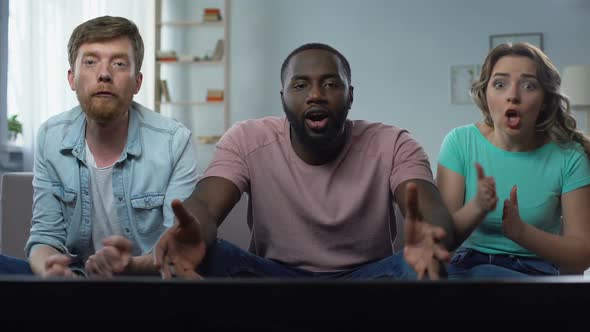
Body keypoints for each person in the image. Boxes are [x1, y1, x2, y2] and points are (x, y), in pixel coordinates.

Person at [153, 42, 458, 280]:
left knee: (419, 264)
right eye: (300, 85)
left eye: (330, 84)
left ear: (350, 96)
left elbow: (430, 207)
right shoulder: (246, 138)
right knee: (207, 255)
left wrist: (434, 234)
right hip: (273, 276)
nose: (316, 95)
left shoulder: (393, 143)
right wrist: (192, 231)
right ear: (283, 97)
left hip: (371, 279)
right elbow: (205, 204)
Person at [0, 16, 198, 277]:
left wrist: (130, 266)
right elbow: (44, 237)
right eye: (91, 62)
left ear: (137, 82)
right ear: (72, 78)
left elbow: (180, 248)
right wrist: (49, 269)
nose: (104, 74)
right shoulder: (51, 136)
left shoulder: (174, 141)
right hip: (73, 282)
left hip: (147, 284)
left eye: (118, 63)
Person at [436, 42, 590, 278]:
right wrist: (476, 208)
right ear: (485, 93)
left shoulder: (570, 157)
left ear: (546, 100)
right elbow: (440, 241)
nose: (513, 96)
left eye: (529, 85)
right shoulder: (459, 142)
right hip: (467, 268)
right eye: (500, 84)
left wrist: (521, 233)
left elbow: (581, 257)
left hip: (537, 272)